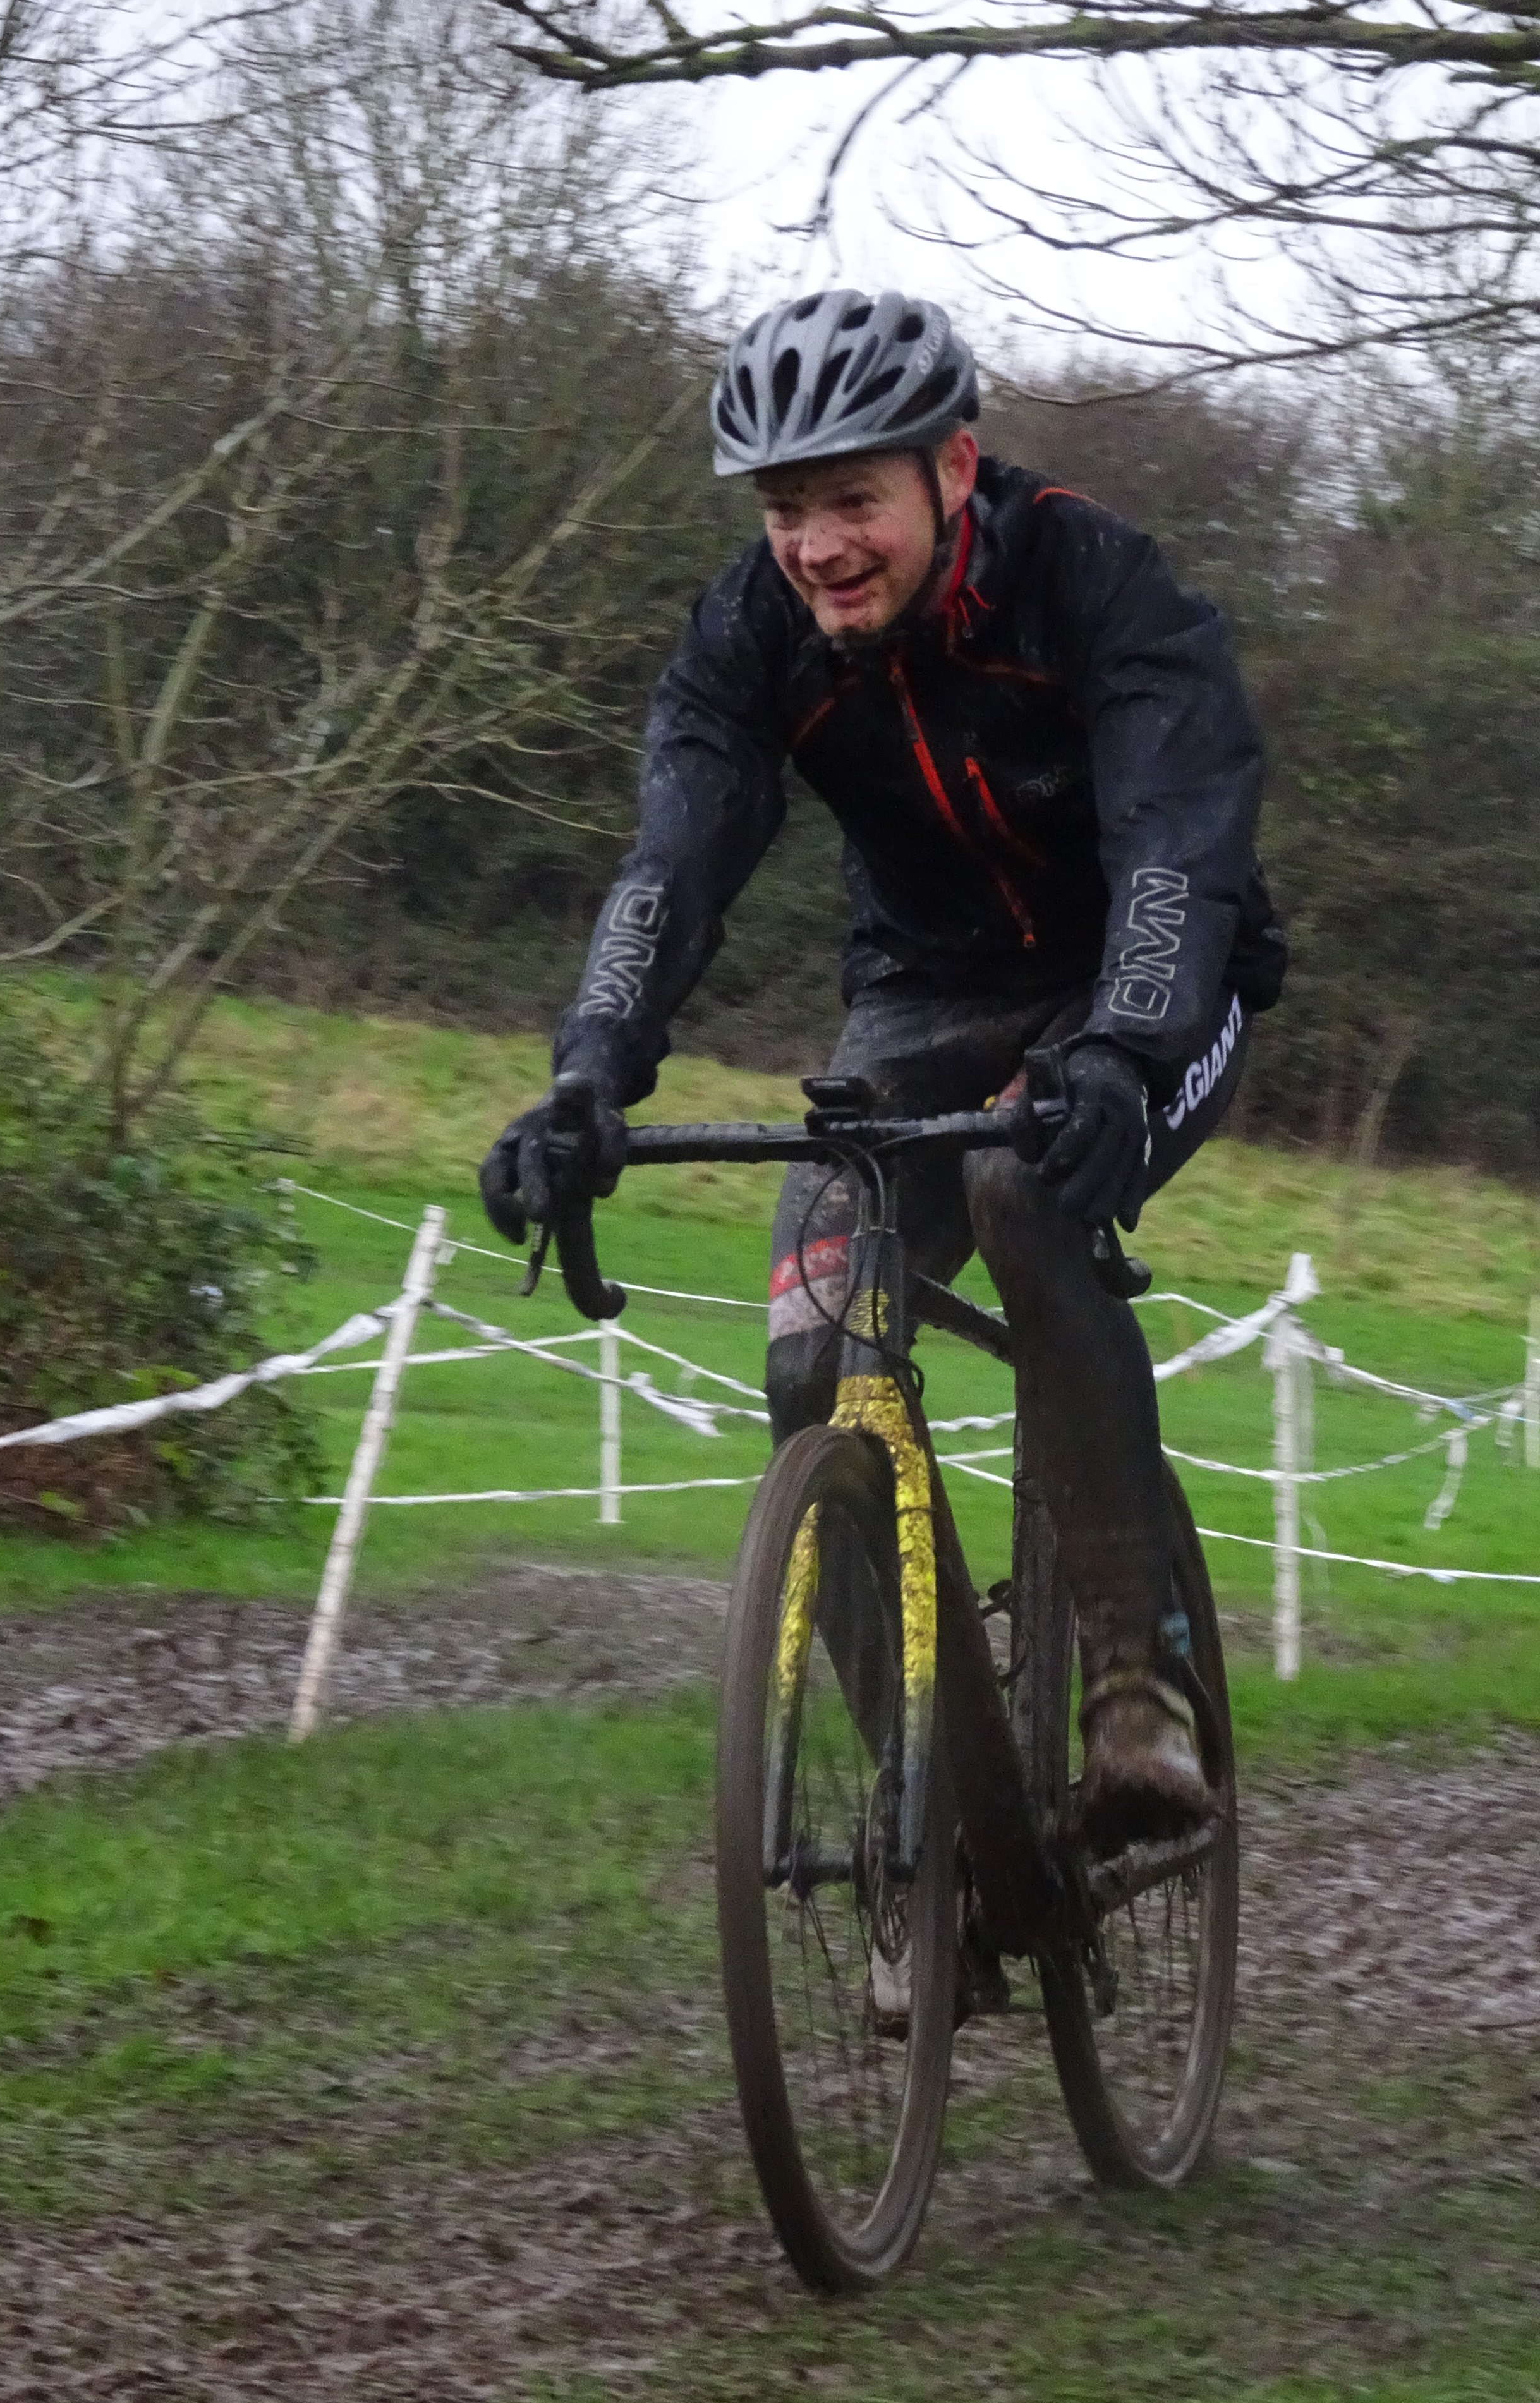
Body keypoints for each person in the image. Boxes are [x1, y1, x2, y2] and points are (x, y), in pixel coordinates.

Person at [479, 288, 1287, 1853]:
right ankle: (924, 1788)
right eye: (785, 509)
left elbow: (1177, 841)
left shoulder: (1095, 583)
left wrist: (1123, 1048)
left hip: (1146, 990)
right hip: (922, 995)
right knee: (809, 1337)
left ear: (953, 468)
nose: (818, 546)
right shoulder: (752, 634)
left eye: (853, 500)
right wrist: (588, 1078)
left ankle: (1142, 1693)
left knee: (1020, 1188)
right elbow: (673, 862)